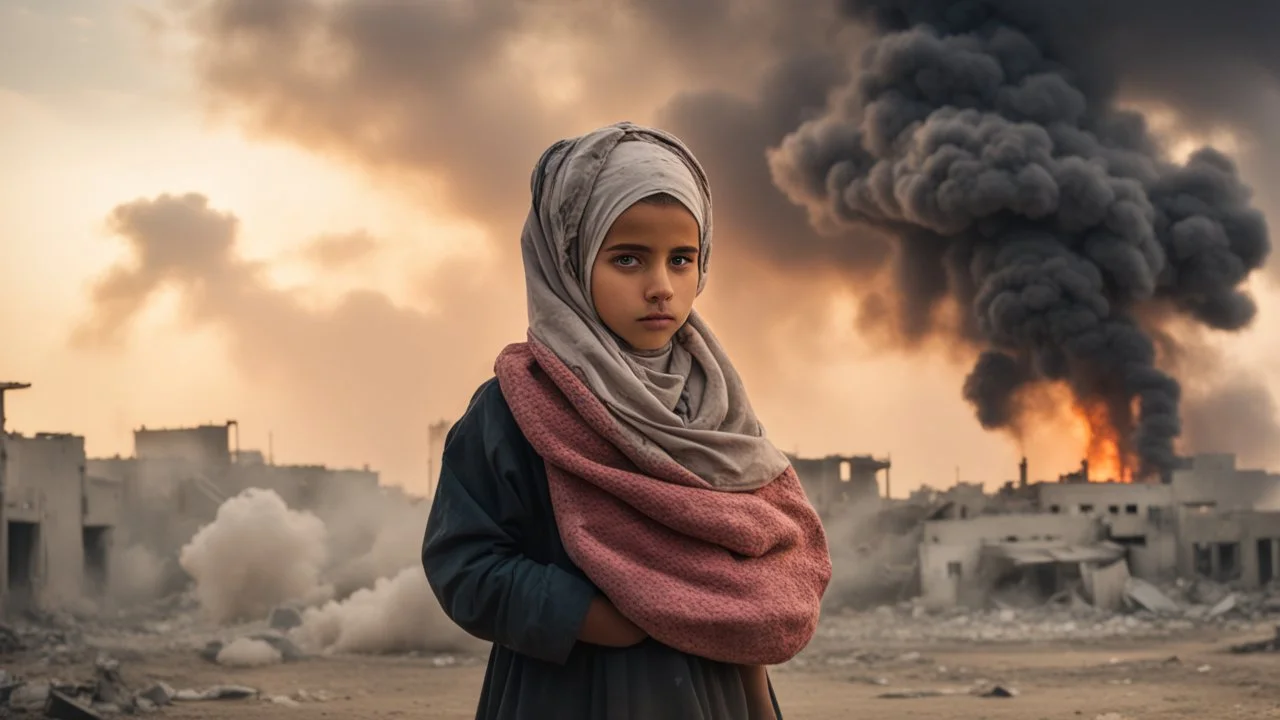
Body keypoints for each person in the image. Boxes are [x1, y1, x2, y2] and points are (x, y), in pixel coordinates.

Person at [422, 121, 831, 720]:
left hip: (710, 693)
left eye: (682, 259)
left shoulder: (715, 410)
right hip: (567, 691)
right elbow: (463, 564)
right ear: (568, 260)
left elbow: (743, 569)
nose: (661, 287)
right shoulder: (518, 406)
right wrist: (590, 616)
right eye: (628, 259)